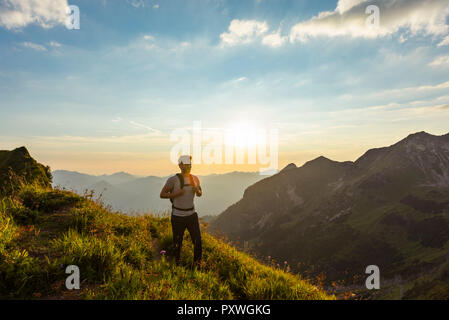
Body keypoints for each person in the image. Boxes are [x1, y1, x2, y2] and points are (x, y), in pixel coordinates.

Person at [160, 155, 203, 267]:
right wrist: (176, 194)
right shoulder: (173, 180)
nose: (188, 166)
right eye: (186, 164)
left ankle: (197, 266)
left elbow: (200, 193)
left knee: (198, 242)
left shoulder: (195, 179)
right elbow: (162, 194)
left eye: (189, 164)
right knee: (177, 243)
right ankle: (177, 266)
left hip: (192, 215)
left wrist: (197, 191)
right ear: (180, 165)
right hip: (178, 216)